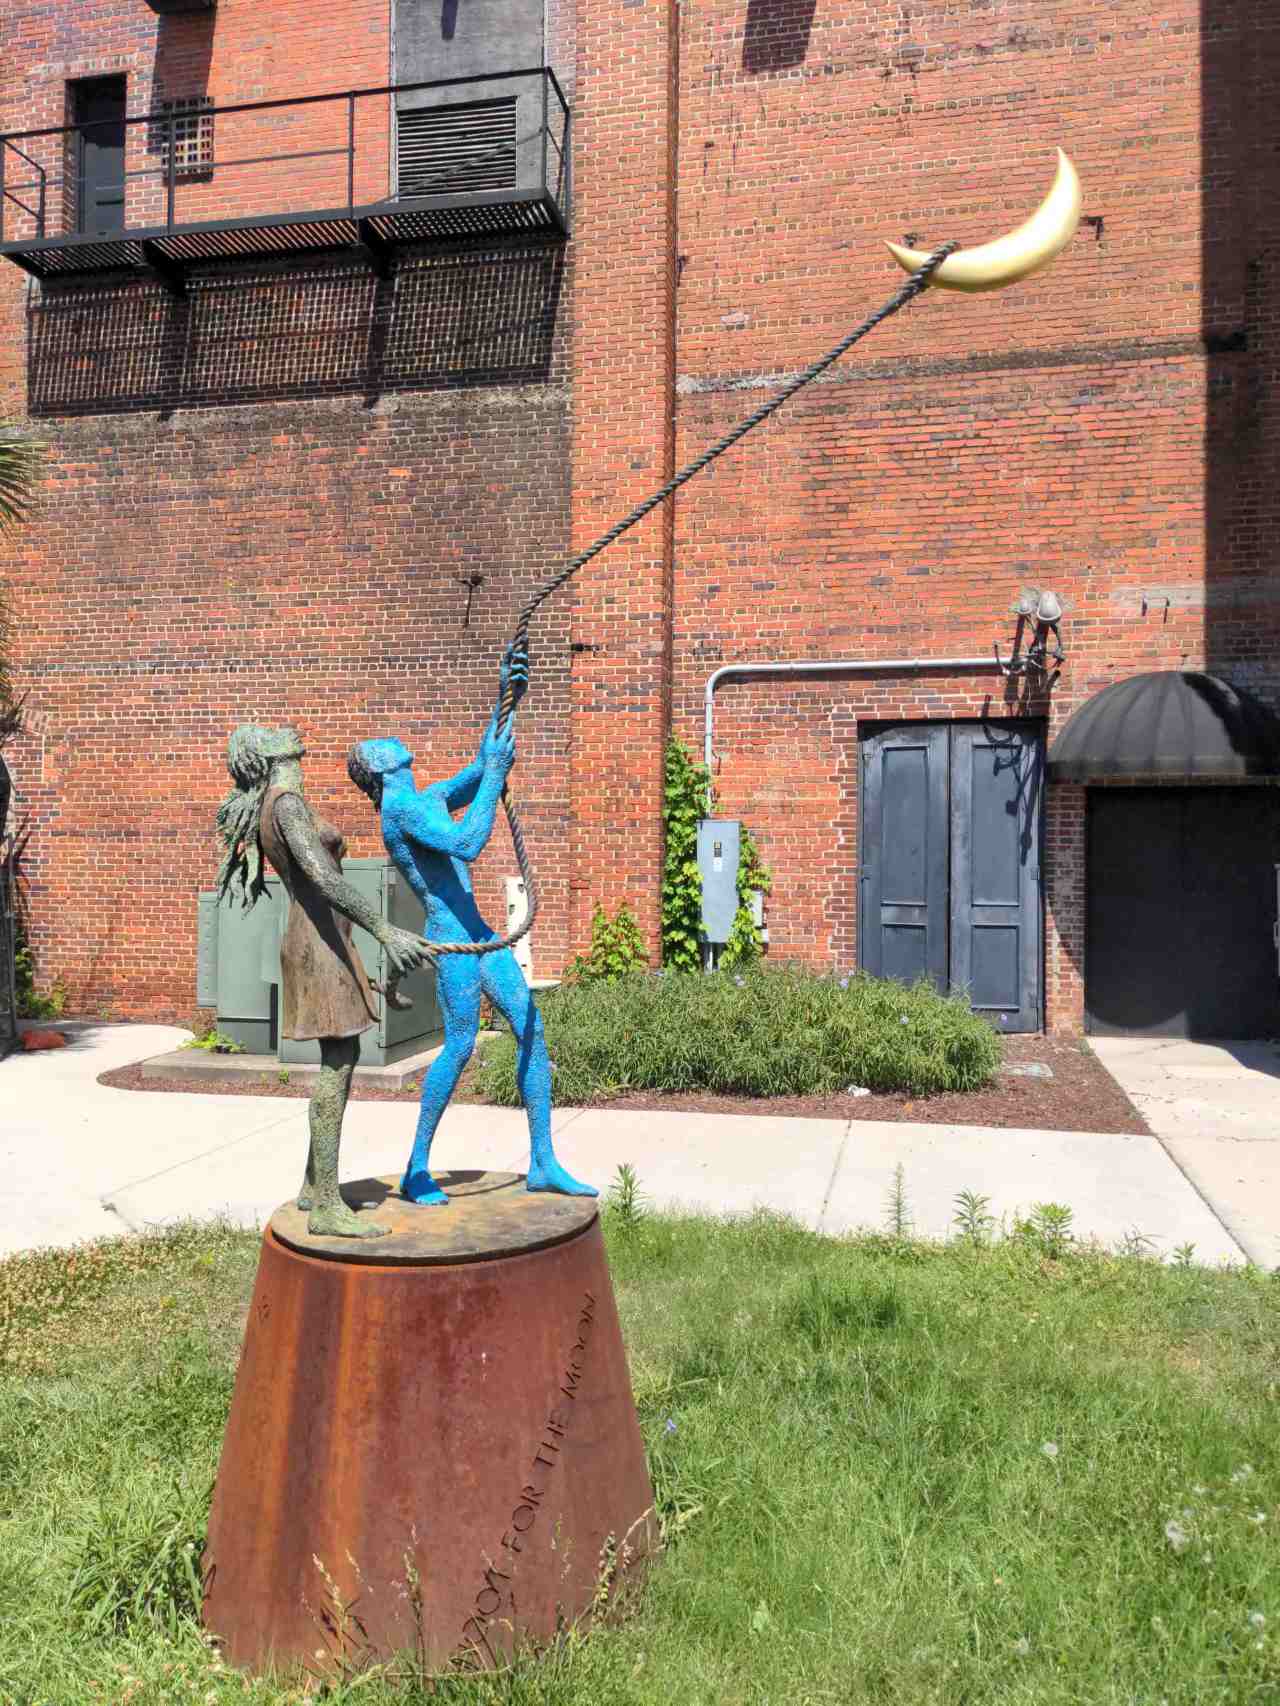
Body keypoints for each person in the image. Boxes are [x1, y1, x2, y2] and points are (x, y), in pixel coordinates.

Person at [347, 653, 595, 1206]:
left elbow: (479, 769)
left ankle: (542, 1161)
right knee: (459, 1047)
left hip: (482, 936)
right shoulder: (403, 812)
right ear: (380, 768)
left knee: (532, 1033)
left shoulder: (425, 798)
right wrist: (497, 776)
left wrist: (507, 696)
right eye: (384, 746)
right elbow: (467, 842)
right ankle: (416, 1168)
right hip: (456, 944)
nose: (394, 741)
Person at [215, 723, 433, 1237]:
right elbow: (324, 877)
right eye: (267, 732)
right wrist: (384, 928)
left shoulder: (284, 800)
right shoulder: (285, 804)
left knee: (345, 1056)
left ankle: (315, 1186)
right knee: (338, 1061)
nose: (283, 730)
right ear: (262, 756)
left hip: (327, 939)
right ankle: (329, 1206)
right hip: (315, 943)